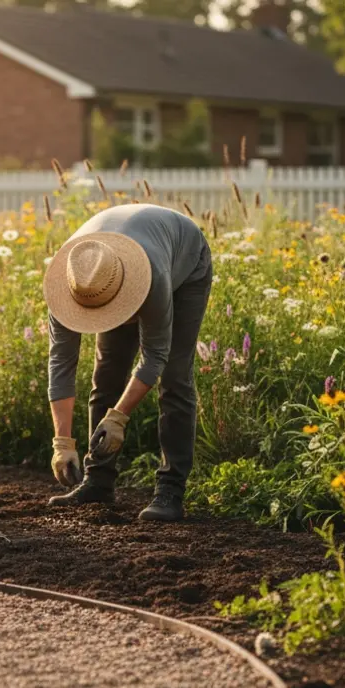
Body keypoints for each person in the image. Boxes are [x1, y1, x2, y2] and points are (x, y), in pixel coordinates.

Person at [42, 202, 212, 522]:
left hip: (184, 261)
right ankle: (98, 482)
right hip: (121, 262)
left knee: (175, 377)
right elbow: (61, 364)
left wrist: (118, 417)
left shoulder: (155, 275)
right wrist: (62, 442)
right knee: (107, 372)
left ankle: (170, 490)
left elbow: (155, 355)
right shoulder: (73, 278)